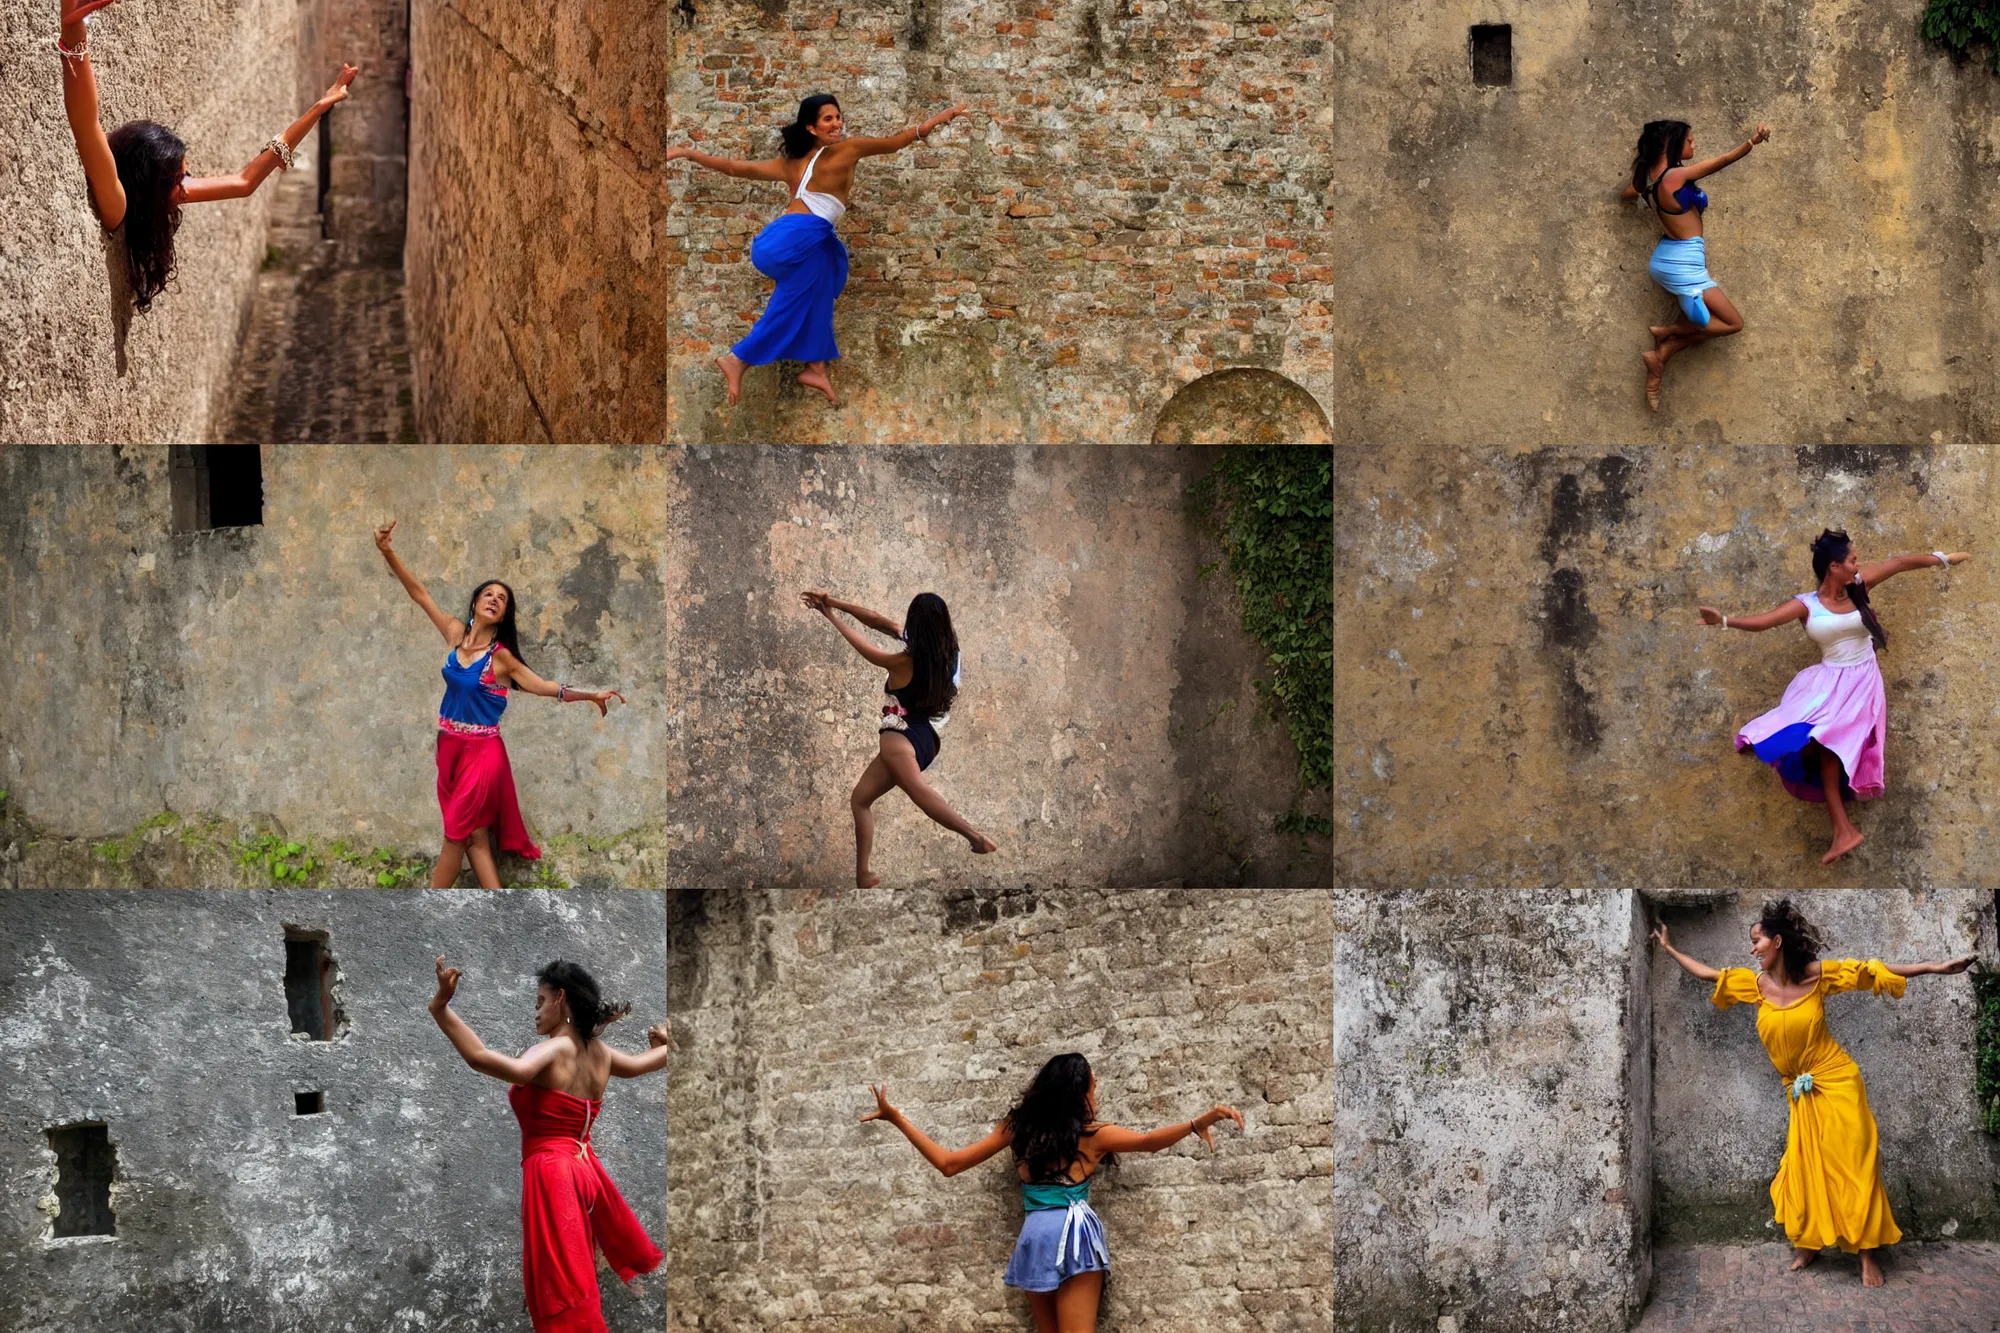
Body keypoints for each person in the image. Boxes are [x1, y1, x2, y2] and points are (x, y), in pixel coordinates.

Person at [1651, 900, 1973, 1286]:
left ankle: (1867, 1254)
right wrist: (1669, 949)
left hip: (1837, 1081)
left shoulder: (1817, 976)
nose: (1752, 949)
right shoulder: (1754, 985)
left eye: (1756, 941)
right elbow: (1708, 975)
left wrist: (1935, 968)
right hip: (1800, 1091)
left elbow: (1873, 970)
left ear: (1777, 941)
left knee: (1856, 1165)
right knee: (1805, 1167)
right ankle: (1810, 1243)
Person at [861, 1053, 1244, 1331]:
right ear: (1078, 1094)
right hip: (1074, 1238)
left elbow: (949, 1164)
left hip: (1034, 1239)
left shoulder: (1018, 1128)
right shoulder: (1091, 1135)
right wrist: (1197, 1122)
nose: (1095, 1096)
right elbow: (1148, 1142)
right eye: (1092, 1088)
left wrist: (897, 1119)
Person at [664, 94, 970, 408]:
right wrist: (940, 116)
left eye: (838, 117)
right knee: (818, 271)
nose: (837, 124)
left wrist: (689, 153)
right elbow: (897, 142)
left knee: (819, 284)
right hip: (792, 240)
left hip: (783, 242)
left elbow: (734, 168)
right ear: (811, 127)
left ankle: (814, 367)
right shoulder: (847, 150)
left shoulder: (794, 164)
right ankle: (739, 358)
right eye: (828, 119)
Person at [58, 0, 357, 312]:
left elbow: (245, 182)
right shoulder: (117, 203)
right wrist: (73, 31)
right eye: (177, 180)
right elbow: (86, 124)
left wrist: (319, 108)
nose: (187, 187)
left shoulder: (159, 195)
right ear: (149, 182)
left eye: (184, 176)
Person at [376, 520, 628, 887]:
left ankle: (425, 912)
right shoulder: (454, 634)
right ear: (475, 602)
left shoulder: (502, 658)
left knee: (454, 837)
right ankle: (500, 909)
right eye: (489, 594)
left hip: (483, 755)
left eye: (502, 599)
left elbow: (543, 686)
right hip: (448, 749)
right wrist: (387, 551)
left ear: (504, 614)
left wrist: (591, 694)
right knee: (476, 836)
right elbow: (420, 594)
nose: (495, 599)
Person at [1698, 530, 1967, 864]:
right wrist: (1724, 620)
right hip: (1826, 683)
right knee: (1814, 742)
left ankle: (1843, 829)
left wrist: (1942, 559)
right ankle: (1842, 830)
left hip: (1861, 683)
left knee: (1829, 745)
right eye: (1852, 560)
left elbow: (1898, 563)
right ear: (1833, 566)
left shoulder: (1859, 587)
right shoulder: (1806, 605)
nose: (1857, 564)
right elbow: (1765, 622)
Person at [428, 956, 669, 1330]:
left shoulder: (555, 1050)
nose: (536, 1011)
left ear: (560, 999)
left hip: (553, 1173)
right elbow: (644, 1064)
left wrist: (441, 1006)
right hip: (584, 1170)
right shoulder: (600, 1054)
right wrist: (665, 1045)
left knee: (561, 1285)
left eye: (540, 1001)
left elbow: (481, 1058)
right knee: (575, 1274)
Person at [802, 589, 997, 885]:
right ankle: (863, 874)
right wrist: (834, 602)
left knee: (921, 794)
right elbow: (879, 622)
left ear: (914, 624)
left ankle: (975, 837)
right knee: (860, 799)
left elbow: (865, 648)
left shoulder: (904, 662)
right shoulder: (950, 654)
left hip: (900, 738)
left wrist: (829, 615)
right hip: (926, 740)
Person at [1620, 118, 1770, 410]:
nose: (1694, 144)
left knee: (1707, 326)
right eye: (1689, 140)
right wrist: (1753, 141)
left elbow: (1629, 193)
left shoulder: (1649, 175)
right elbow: (1724, 160)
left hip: (1671, 255)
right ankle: (1670, 335)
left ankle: (1662, 354)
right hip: (1685, 265)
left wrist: (1635, 197)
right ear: (1669, 144)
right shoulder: (1675, 176)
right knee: (1733, 323)